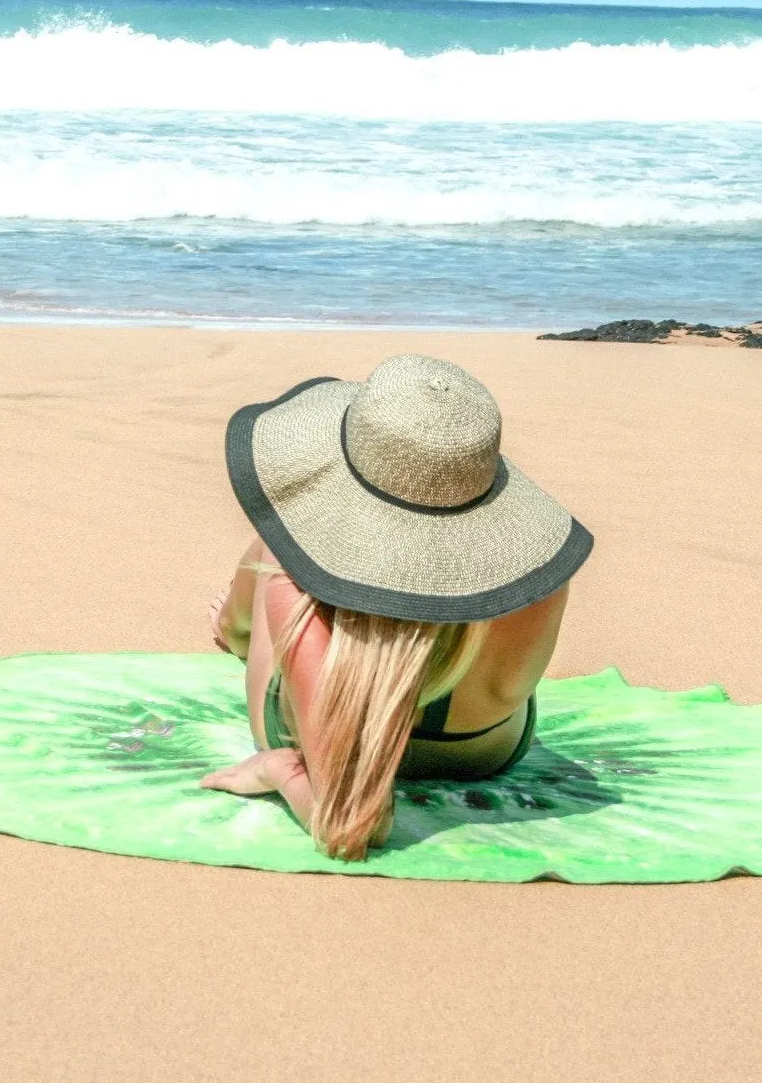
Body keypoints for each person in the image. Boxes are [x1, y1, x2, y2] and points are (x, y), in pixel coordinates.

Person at [202, 353, 592, 860]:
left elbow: (348, 825)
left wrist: (276, 768)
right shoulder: (538, 578)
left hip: (313, 741)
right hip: (478, 752)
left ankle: (236, 627)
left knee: (276, 552)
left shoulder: (291, 575)